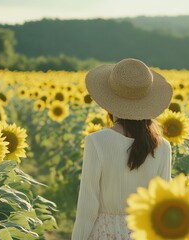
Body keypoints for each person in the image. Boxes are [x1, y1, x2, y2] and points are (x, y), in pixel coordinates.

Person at [71, 58, 173, 240]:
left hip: (105, 234)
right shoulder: (163, 147)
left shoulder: (97, 142)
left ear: (110, 102)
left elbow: (87, 208)